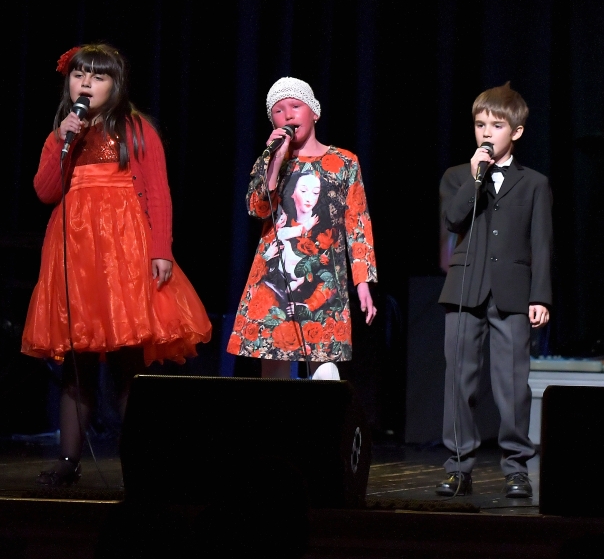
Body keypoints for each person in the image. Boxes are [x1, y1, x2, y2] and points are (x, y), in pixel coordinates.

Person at [23, 44, 211, 486]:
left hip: (123, 252)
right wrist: (63, 140)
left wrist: (161, 249)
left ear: (116, 84)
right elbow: (46, 191)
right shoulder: (62, 134)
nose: (86, 83)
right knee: (78, 361)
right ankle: (68, 461)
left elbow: (158, 192)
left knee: (129, 361)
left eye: (98, 76)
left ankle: (142, 462)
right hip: (75, 252)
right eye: (78, 75)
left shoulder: (135, 129)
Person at [437, 82, 552, 498]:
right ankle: (458, 466)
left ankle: (516, 467)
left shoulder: (534, 183)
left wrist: (540, 296)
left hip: (513, 292)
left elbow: (541, 243)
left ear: (516, 132)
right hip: (464, 288)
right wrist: (475, 178)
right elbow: (453, 220)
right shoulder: (457, 176)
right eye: (480, 124)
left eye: (497, 125)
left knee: (513, 384)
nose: (486, 132)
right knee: (459, 381)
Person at [227, 77, 378, 381]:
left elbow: (357, 223)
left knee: (326, 371)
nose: (288, 115)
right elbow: (257, 208)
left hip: (324, 281)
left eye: (295, 106)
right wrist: (275, 161)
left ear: (314, 112)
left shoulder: (344, 162)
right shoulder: (270, 161)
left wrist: (362, 281)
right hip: (275, 279)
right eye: (278, 111)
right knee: (274, 372)